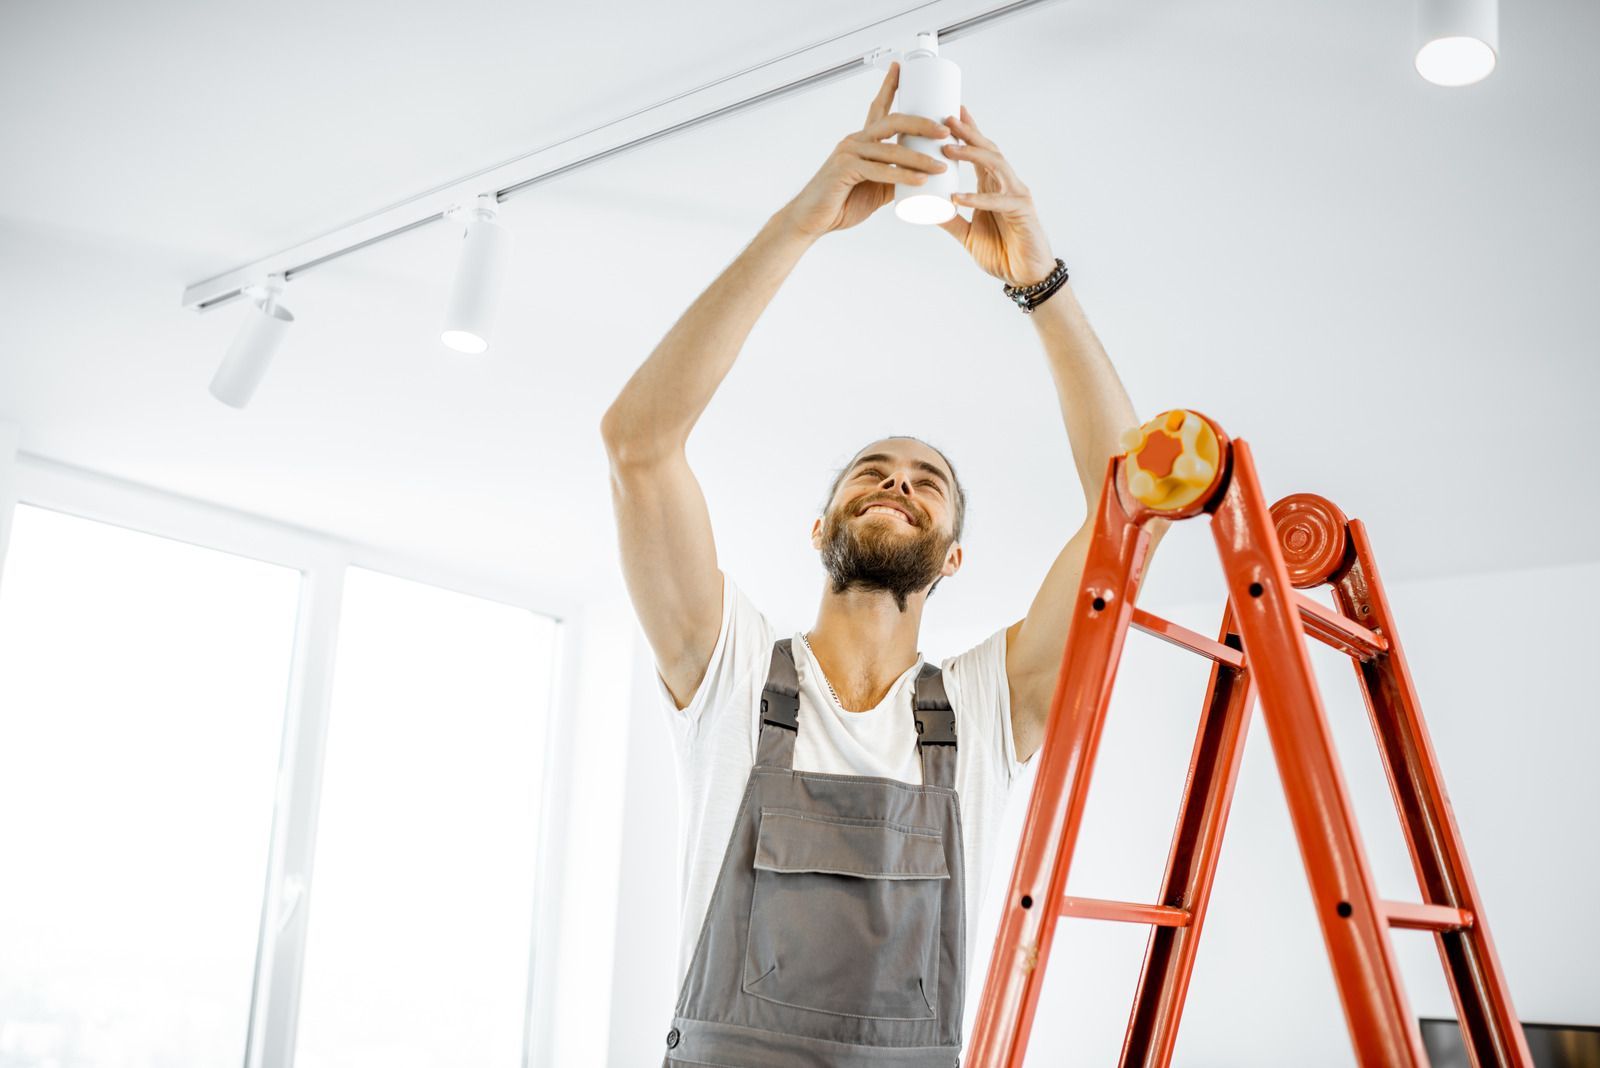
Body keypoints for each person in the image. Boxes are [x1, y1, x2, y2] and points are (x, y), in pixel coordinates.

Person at [600, 60, 1168, 1068]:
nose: (896, 480)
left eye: (925, 478)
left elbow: (1135, 510)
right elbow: (639, 443)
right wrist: (804, 220)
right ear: (821, 527)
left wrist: (1037, 280)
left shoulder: (987, 706)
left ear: (950, 556)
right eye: (871, 471)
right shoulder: (727, 669)